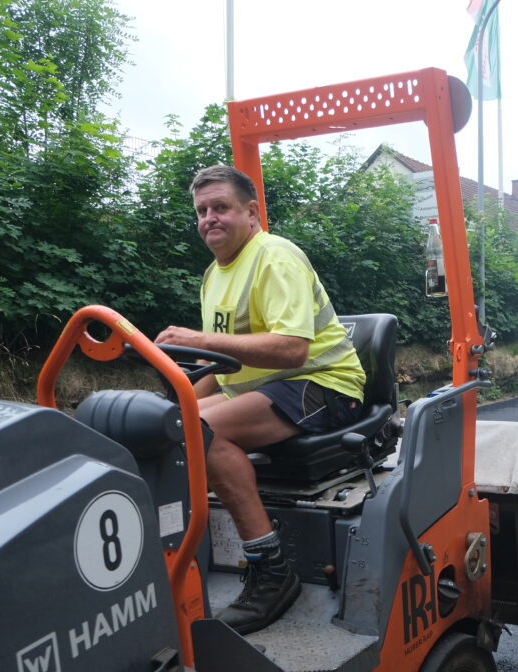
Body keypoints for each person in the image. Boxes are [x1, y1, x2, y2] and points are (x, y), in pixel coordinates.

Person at [156, 164, 366, 635]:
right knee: (166, 427)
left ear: (251, 212)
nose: (209, 218)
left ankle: (271, 571)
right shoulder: (214, 274)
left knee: (199, 432)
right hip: (267, 388)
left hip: (325, 383)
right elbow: (224, 366)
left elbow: (292, 349)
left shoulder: (275, 257)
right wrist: (180, 401)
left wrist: (199, 342)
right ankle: (178, 555)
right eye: (202, 211)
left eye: (221, 207)